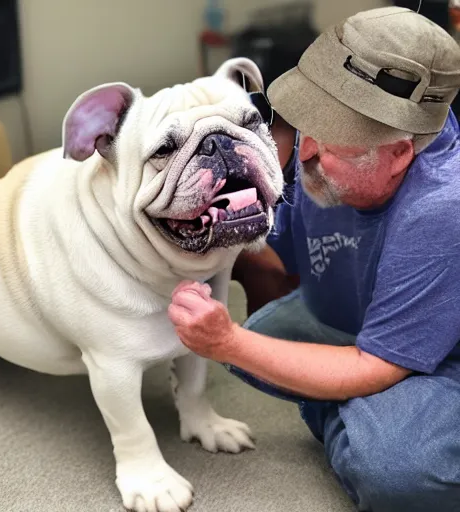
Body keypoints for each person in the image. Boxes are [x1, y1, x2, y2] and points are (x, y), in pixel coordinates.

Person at [168, 7, 460, 512]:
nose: (304, 153)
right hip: (356, 312)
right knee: (266, 341)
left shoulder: (442, 210)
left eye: (332, 143)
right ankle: (354, 395)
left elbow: (375, 365)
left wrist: (227, 341)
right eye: (309, 125)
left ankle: (359, 410)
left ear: (399, 153)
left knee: (397, 476)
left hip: (437, 348)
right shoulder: (327, 149)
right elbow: (271, 240)